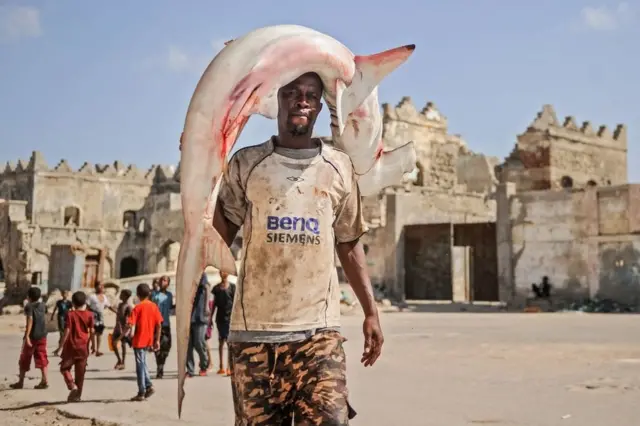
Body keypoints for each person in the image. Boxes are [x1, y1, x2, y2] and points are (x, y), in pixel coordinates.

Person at [207, 72, 383, 424]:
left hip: (318, 334)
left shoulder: (339, 167)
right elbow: (218, 232)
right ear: (278, 101)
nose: (301, 100)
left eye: (310, 94)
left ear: (319, 106)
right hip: (254, 334)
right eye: (292, 93)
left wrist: (370, 311)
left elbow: (348, 243)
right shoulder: (247, 163)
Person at [125, 283, 163, 401]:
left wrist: (123, 333)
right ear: (149, 294)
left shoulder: (137, 307)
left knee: (140, 365)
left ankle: (142, 391)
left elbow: (130, 324)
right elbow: (159, 325)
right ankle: (148, 386)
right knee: (143, 363)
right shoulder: (154, 306)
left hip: (139, 340)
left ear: (137, 294)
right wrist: (157, 340)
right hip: (149, 339)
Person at [57, 291, 96, 402]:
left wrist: (60, 346)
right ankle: (77, 396)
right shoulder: (90, 315)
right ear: (85, 302)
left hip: (71, 347)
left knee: (64, 368)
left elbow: (67, 331)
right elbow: (92, 331)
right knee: (80, 373)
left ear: (73, 303)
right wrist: (94, 345)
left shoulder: (71, 314)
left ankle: (71, 385)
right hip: (83, 347)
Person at [10, 286, 50, 389]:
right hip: (42, 335)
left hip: (32, 336)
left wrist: (27, 336)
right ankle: (45, 380)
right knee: (42, 357)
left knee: (24, 358)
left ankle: (21, 382)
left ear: (28, 296)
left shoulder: (29, 306)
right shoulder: (43, 305)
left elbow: (30, 320)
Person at [209, 271, 235, 375]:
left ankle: (229, 367)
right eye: (221, 271)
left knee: (229, 343)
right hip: (220, 319)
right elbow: (214, 304)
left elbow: (235, 304)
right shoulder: (216, 288)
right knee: (221, 342)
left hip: (230, 319)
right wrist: (210, 318)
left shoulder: (233, 287)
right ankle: (221, 366)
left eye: (225, 271)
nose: (223, 273)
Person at [186, 273, 210, 377]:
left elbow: (207, 287)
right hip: (188, 315)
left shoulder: (200, 273)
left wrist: (206, 306)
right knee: (188, 345)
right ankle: (190, 370)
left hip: (199, 314)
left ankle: (204, 365)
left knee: (199, 342)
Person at [151, 275, 174, 379]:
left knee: (167, 346)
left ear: (168, 283)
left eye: (165, 280)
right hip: (156, 325)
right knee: (157, 347)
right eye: (161, 280)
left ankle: (161, 364)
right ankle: (159, 368)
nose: (162, 282)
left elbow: (171, 308)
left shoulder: (169, 295)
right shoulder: (154, 295)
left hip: (166, 325)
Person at [87, 281, 116, 356]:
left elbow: (109, 306)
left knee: (99, 333)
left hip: (100, 317)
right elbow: (87, 307)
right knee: (92, 333)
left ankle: (97, 350)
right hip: (93, 316)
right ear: (96, 287)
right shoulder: (91, 296)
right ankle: (91, 348)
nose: (102, 287)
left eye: (102, 286)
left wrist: (116, 312)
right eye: (100, 286)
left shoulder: (104, 297)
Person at [111, 289, 133, 370]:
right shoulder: (120, 304)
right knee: (113, 343)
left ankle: (123, 362)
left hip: (124, 329)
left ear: (126, 296)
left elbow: (131, 320)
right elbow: (117, 312)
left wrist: (131, 331)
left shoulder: (128, 307)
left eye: (122, 294)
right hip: (117, 327)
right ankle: (119, 360)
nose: (120, 295)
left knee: (123, 345)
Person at [51, 290, 72, 357]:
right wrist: (52, 316)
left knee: (65, 335)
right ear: (62, 295)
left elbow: (72, 310)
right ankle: (59, 350)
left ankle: (59, 350)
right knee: (62, 334)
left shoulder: (69, 303)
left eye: (66, 294)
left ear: (67, 295)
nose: (65, 295)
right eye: (64, 294)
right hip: (61, 318)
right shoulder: (59, 302)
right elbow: (55, 309)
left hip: (67, 318)